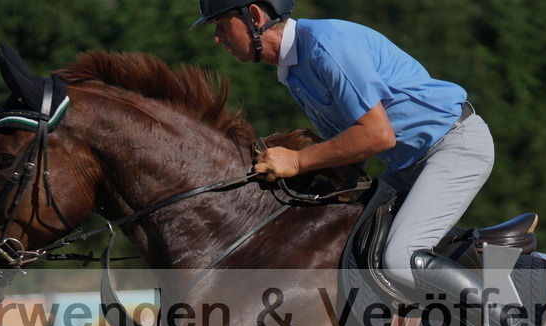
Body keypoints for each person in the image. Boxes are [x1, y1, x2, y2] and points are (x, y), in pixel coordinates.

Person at [191, 0, 495, 292]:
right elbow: (349, 147)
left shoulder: (327, 46)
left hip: (454, 146)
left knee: (400, 260)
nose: (217, 37)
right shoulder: (294, 69)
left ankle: (508, 321)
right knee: (350, 243)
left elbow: (378, 135)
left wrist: (296, 161)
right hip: (409, 166)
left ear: (255, 16)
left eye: (221, 24)